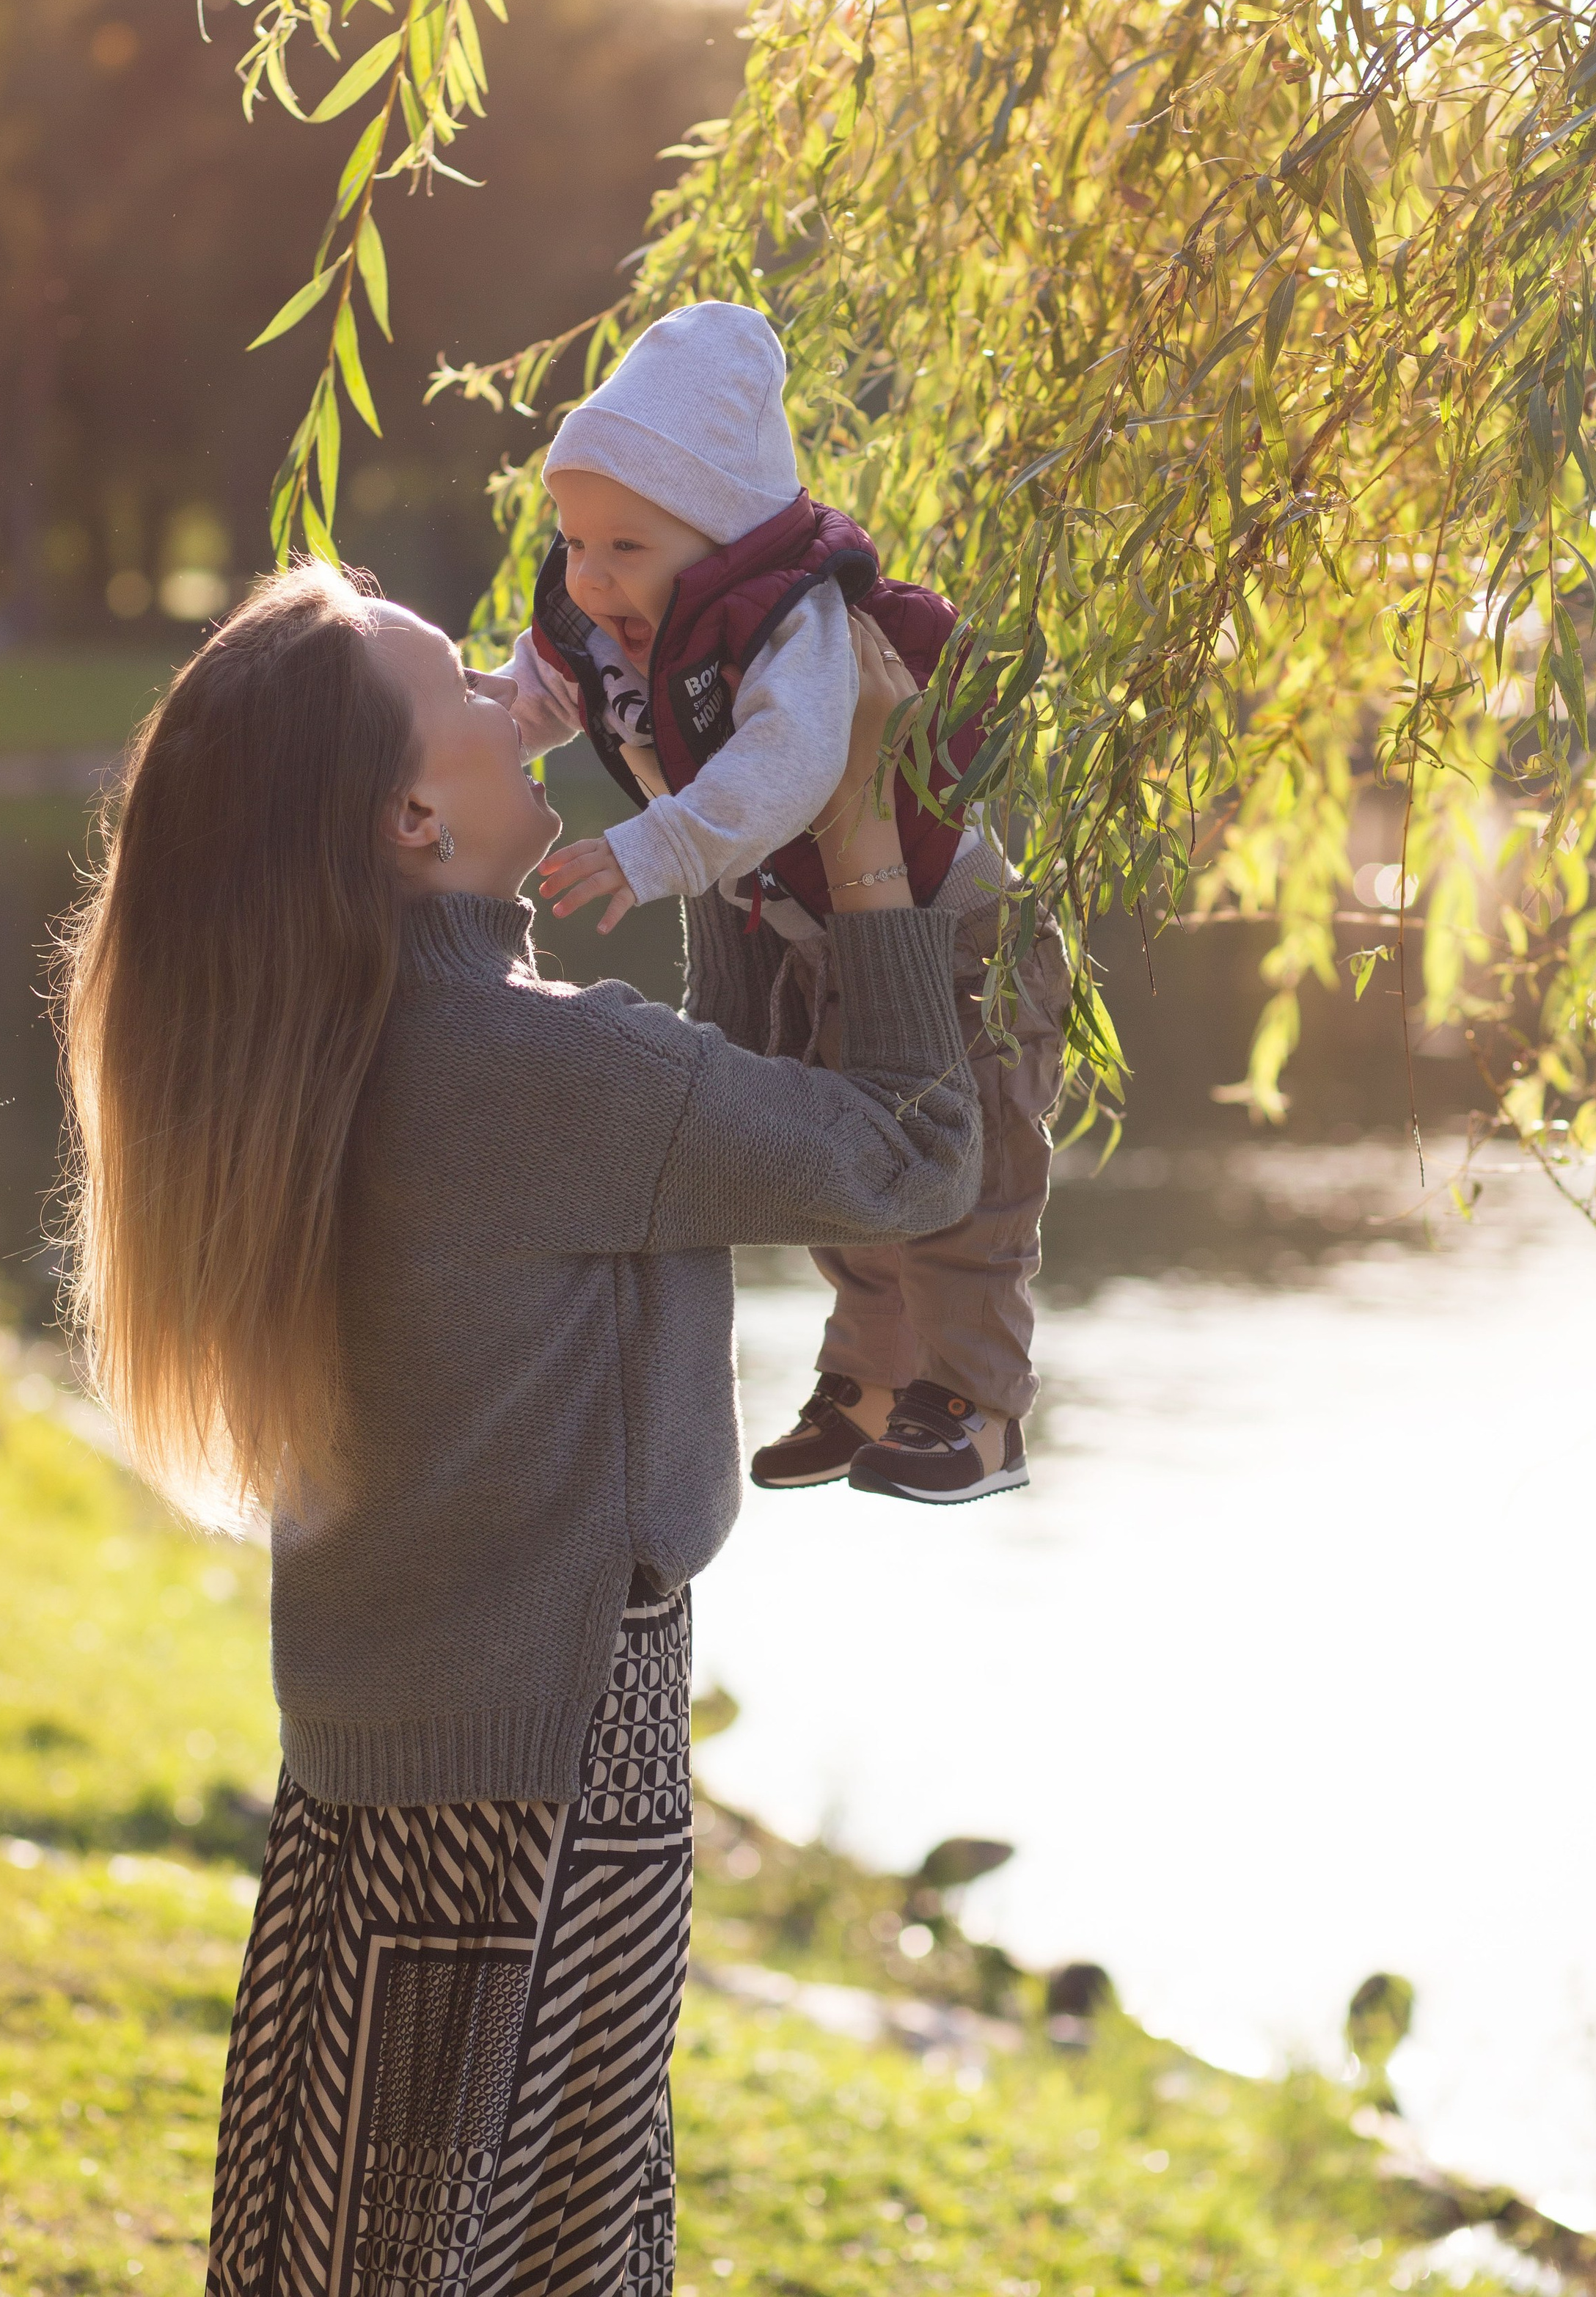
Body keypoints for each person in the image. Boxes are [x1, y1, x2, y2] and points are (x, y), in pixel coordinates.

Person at [56, 560, 980, 2297]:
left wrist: (709, 813)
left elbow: (694, 1086)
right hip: (558, 1746)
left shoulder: (336, 1047)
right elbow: (910, 1149)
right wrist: (857, 827)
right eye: (460, 692)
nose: (508, 693)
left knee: (359, 2241)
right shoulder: (530, 1070)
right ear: (414, 815)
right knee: (544, 2245)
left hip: (376, 1756)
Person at [491, 299, 1070, 1508]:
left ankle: (976, 1411)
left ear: (720, 537)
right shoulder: (601, 610)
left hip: (953, 936)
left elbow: (793, 767)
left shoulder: (787, 622)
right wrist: (467, 730)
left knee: (968, 1187)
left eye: (624, 550)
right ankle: (868, 1383)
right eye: (574, 541)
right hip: (816, 931)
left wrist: (658, 848)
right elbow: (537, 699)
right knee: (841, 1155)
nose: (590, 578)